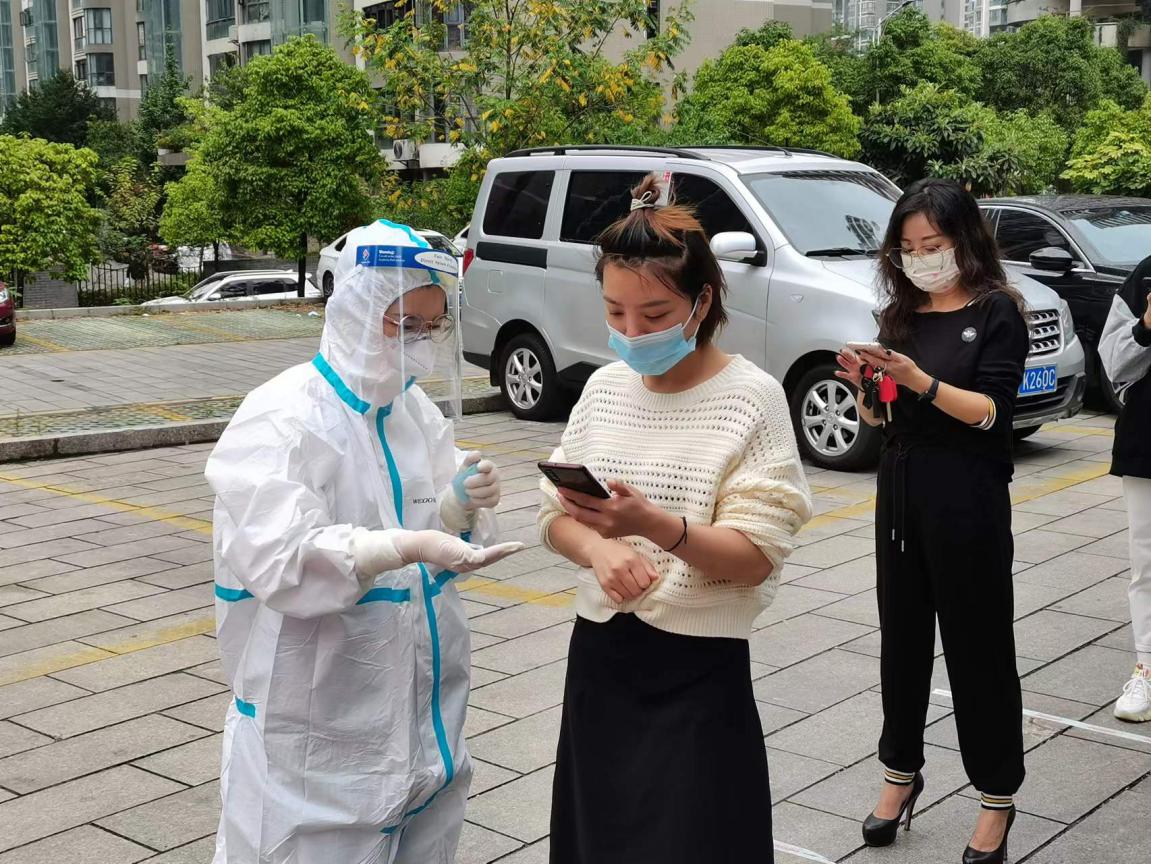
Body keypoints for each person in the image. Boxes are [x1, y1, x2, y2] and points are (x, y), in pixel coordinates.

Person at [205, 219, 524, 864]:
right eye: (404, 324)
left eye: (432, 325)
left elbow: (440, 528)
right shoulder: (283, 415)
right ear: (354, 310)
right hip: (315, 729)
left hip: (423, 721)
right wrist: (401, 547)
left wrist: (458, 507)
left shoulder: (412, 412)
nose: (421, 342)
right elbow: (281, 559)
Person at [537, 174, 812, 864]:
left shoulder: (749, 398)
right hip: (600, 655)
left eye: (655, 314)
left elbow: (755, 556)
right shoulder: (604, 388)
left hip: (697, 666)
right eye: (615, 312)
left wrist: (654, 526)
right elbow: (552, 516)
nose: (631, 332)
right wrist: (598, 551)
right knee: (598, 838)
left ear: (703, 301)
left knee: (694, 838)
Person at [836, 178, 1028, 864]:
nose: (920, 258)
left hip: (968, 494)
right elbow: (884, 417)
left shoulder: (997, 310)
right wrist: (867, 387)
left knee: (979, 649)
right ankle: (900, 773)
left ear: (964, 240)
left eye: (933, 244)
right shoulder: (900, 314)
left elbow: (992, 413)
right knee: (902, 641)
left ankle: (996, 796)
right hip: (900, 491)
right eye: (908, 248)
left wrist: (919, 380)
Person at [1098, 253, 1151, 723]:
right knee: (1147, 563)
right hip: (1147, 444)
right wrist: (1146, 327)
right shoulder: (1146, 275)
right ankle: (1147, 668)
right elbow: (1114, 363)